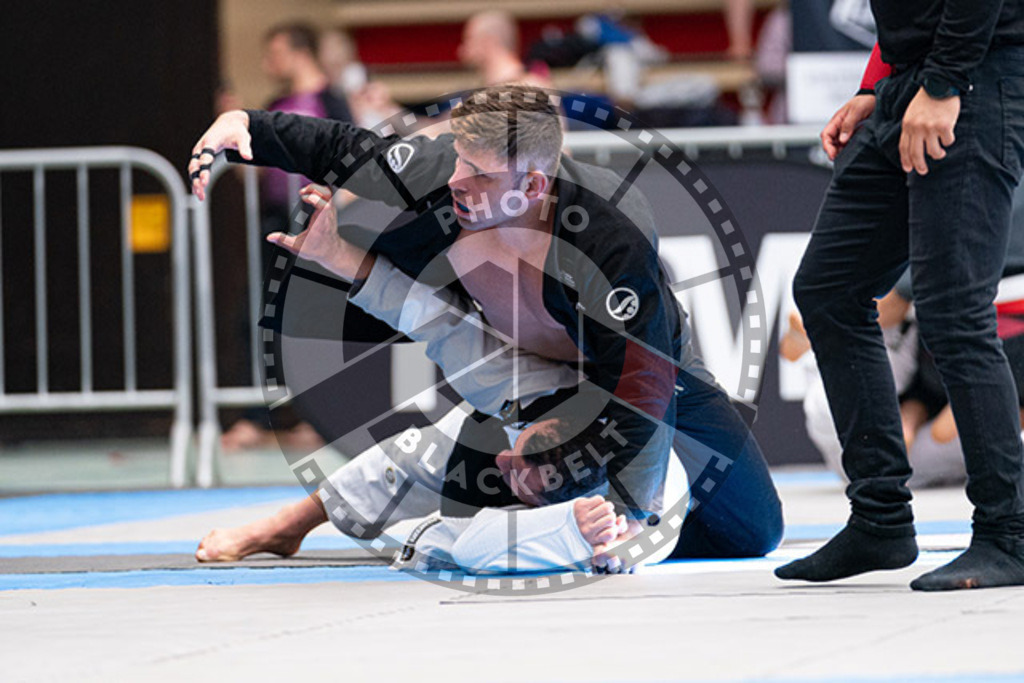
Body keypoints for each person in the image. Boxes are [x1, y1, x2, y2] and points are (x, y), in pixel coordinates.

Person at [189, 83, 783, 561]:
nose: (454, 181)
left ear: (531, 185)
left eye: (478, 173)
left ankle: (588, 525)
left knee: (754, 532)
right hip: (519, 354)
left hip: (626, 371)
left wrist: (635, 518)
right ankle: (292, 522)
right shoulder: (446, 178)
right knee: (448, 451)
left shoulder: (612, 237)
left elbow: (643, 386)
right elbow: (352, 149)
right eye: (458, 161)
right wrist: (250, 126)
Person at [198, 184, 689, 573]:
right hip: (548, 393)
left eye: (522, 477)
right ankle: (285, 525)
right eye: (517, 454)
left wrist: (576, 533)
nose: (503, 459)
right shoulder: (529, 387)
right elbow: (431, 318)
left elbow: (478, 547)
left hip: (585, 498)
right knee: (416, 452)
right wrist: (336, 257)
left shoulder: (630, 508)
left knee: (454, 533)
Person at [778, 3, 1024, 591]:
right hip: (909, 79)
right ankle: (880, 518)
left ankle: (1008, 533)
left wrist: (944, 84)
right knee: (829, 290)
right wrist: (874, 85)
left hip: (974, 78)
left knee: (953, 310)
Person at [221, 22, 353, 453]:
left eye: (273, 53)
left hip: (322, 223)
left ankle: (323, 418)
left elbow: (355, 164)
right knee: (260, 317)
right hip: (275, 220)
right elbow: (253, 171)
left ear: (298, 52)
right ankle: (259, 417)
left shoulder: (332, 102)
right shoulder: (276, 104)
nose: (266, 63)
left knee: (321, 323)